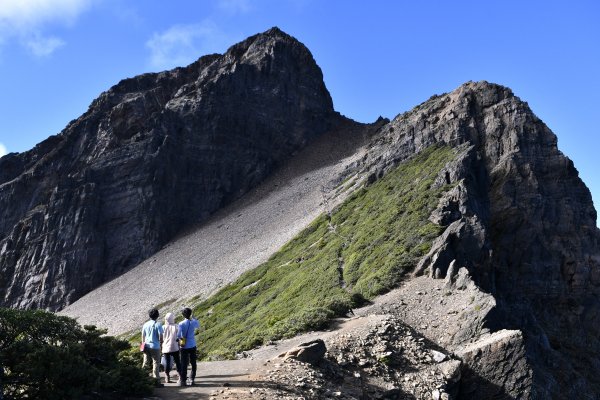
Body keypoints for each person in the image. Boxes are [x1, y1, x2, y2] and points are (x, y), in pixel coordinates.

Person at [141, 308, 164, 387]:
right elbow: (161, 336)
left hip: (146, 346)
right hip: (155, 346)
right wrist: (161, 342)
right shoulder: (158, 324)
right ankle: (156, 381)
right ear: (157, 315)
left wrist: (143, 345)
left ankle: (142, 379)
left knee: (146, 362)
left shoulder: (145, 324)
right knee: (156, 363)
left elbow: (143, 336)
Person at [178, 307, 200, 386]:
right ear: (190, 314)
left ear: (183, 315)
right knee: (193, 362)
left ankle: (183, 380)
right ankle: (192, 379)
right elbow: (198, 326)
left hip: (184, 346)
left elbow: (178, 335)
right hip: (192, 344)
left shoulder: (181, 324)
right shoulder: (193, 322)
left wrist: (180, 339)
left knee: (184, 363)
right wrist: (194, 318)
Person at [161, 312, 182, 383]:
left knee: (167, 362)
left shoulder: (163, 327)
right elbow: (179, 337)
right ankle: (180, 376)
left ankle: (167, 377)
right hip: (175, 346)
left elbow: (160, 338)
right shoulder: (176, 326)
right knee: (177, 362)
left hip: (166, 347)